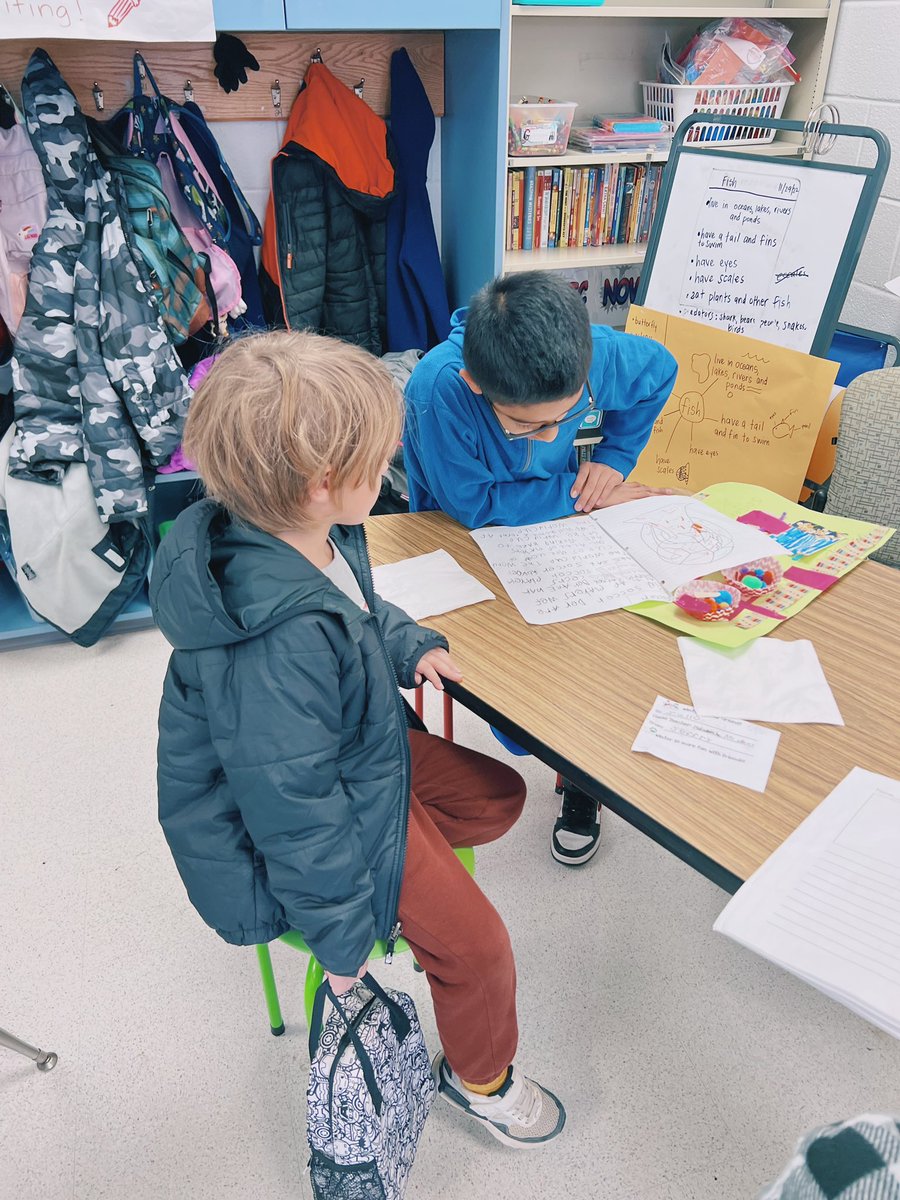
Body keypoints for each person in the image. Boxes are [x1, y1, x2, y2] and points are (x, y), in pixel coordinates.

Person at [150, 330, 566, 1150]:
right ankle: (481, 1079)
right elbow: (291, 809)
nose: (389, 476)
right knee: (481, 950)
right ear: (319, 485)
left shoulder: (308, 537)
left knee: (502, 796)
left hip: (355, 754)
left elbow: (360, 611)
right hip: (319, 813)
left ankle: (406, 859)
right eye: (379, 465)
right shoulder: (273, 650)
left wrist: (408, 644)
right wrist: (343, 943)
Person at [404, 271, 678, 867]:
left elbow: (660, 370)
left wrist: (613, 459)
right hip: (467, 539)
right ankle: (548, 749)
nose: (554, 434)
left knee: (593, 656)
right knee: (518, 687)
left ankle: (581, 775)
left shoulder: (594, 354)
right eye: (529, 425)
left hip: (561, 528)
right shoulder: (439, 389)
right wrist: (583, 494)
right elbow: (473, 505)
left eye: (569, 414)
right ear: (477, 384)